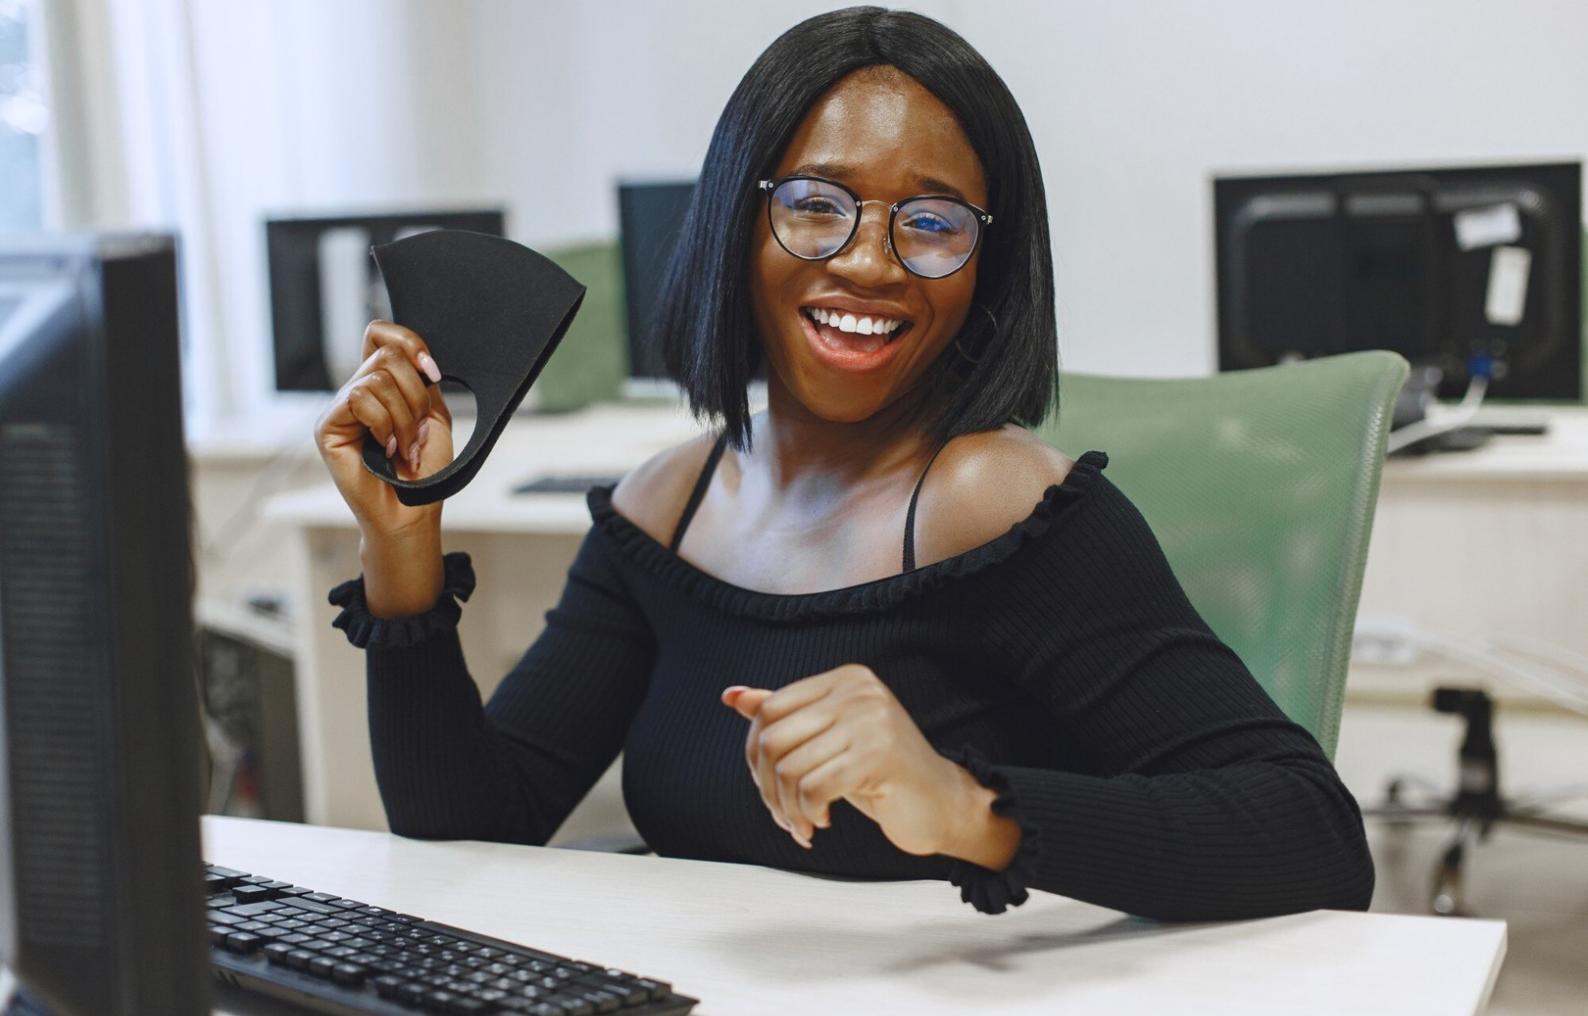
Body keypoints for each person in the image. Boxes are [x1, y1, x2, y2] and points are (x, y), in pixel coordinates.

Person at [313, 6, 1374, 920]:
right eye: (817, 204)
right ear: (738, 222)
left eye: (930, 222)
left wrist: (965, 809)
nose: (869, 260)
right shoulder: (663, 511)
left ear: (981, 266)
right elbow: (469, 826)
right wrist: (400, 544)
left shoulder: (1002, 508)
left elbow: (1311, 828)